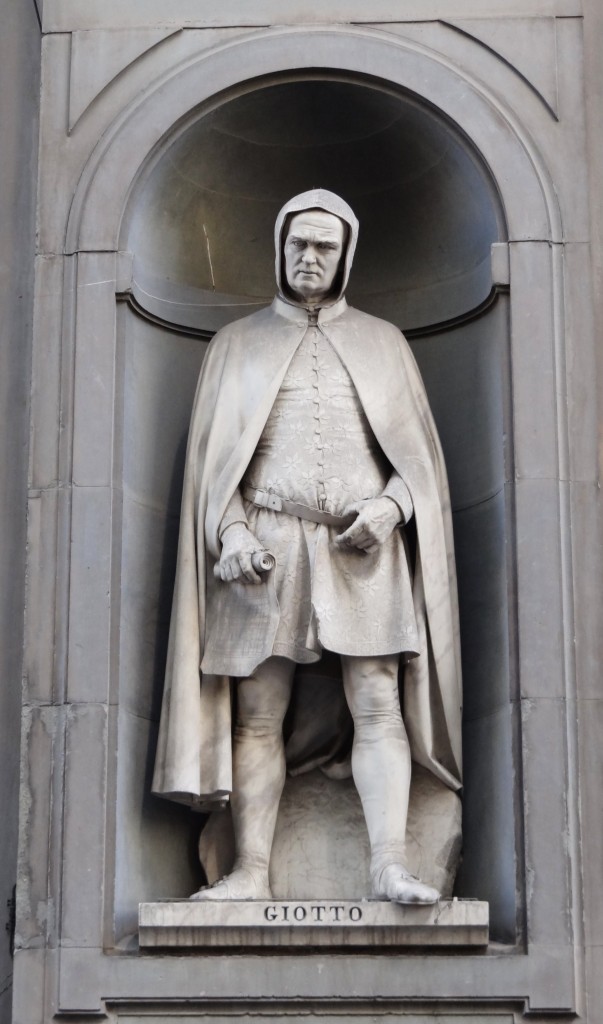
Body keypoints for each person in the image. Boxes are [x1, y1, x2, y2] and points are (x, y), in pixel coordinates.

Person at [152, 189, 462, 904]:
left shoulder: (384, 342)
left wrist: (391, 506)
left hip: (362, 546)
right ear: (278, 249)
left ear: (345, 254)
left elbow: (418, 462)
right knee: (258, 712)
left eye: (324, 246)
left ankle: (388, 865)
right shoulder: (236, 343)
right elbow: (214, 465)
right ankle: (251, 873)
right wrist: (227, 531)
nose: (310, 257)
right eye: (299, 245)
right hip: (265, 544)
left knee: (377, 698)